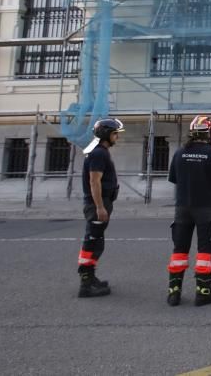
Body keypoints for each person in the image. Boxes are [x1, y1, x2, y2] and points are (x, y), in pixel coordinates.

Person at [165, 115, 211, 307]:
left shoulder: (179, 152)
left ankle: (174, 292)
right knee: (205, 250)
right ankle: (203, 292)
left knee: (179, 250)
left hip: (182, 208)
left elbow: (173, 178)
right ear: (208, 133)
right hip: (205, 207)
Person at [76, 118, 124, 298]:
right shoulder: (99, 154)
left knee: (97, 242)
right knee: (92, 241)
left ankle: (90, 276)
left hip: (102, 201)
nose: (117, 137)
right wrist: (100, 207)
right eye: (114, 133)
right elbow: (94, 181)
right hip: (98, 203)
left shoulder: (100, 152)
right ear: (106, 134)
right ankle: (86, 284)